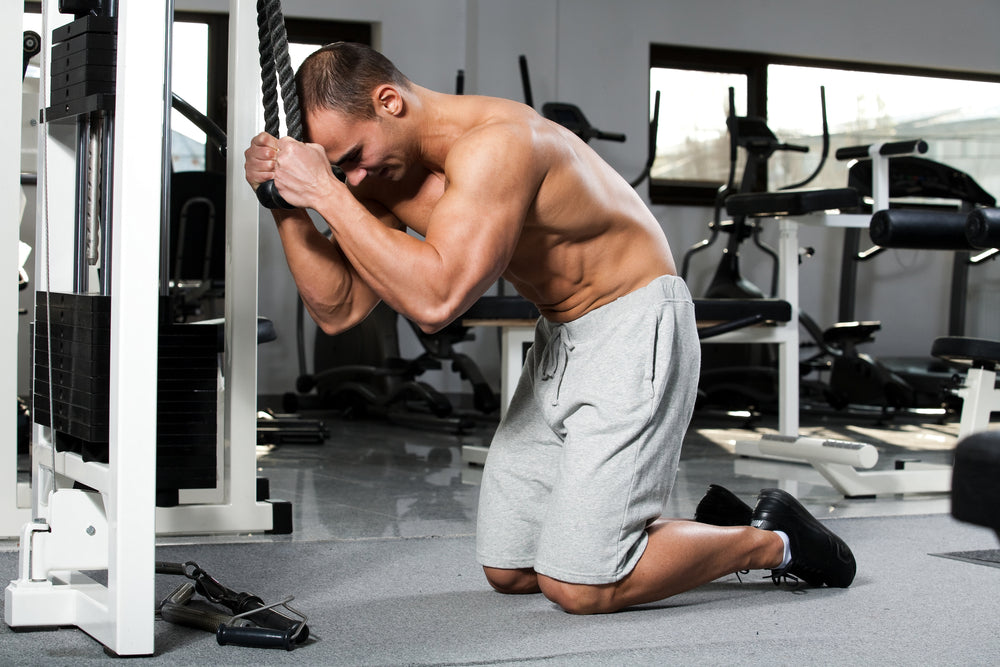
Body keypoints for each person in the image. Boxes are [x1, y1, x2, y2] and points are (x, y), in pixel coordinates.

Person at [243, 42, 856, 615]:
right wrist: (289, 207)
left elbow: (437, 300)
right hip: (560, 341)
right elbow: (338, 309)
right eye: (338, 169)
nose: (352, 179)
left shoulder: (497, 144)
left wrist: (324, 189)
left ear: (389, 101)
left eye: (351, 159)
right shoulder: (381, 175)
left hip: (633, 325)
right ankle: (710, 534)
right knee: (510, 568)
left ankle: (772, 541)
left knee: (582, 585)